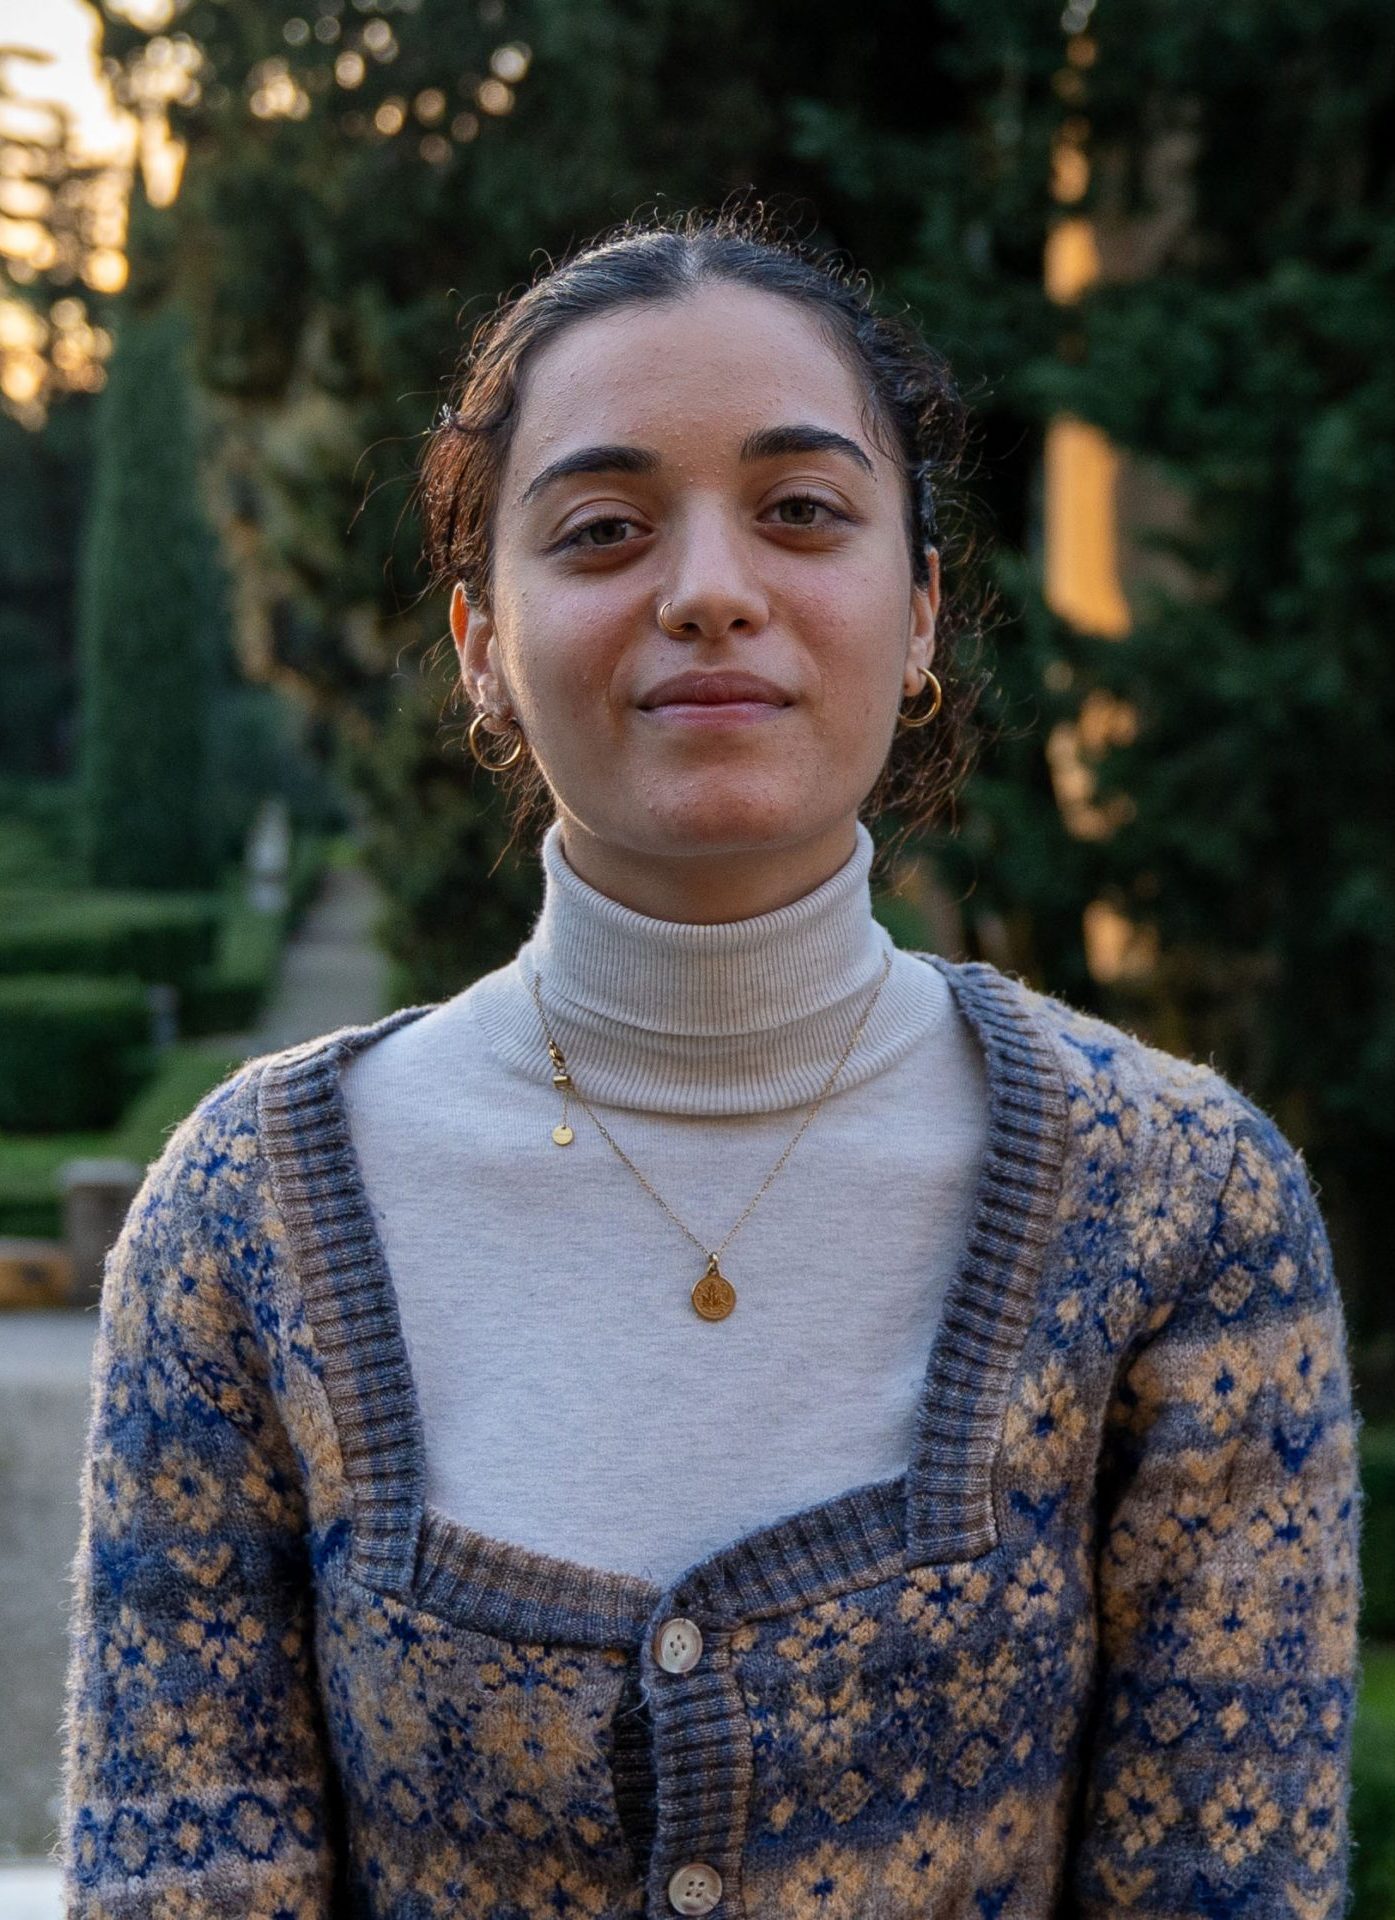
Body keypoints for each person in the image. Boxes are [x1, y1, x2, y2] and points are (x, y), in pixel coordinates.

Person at [61, 207, 1363, 1920]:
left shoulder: (1184, 1210)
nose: (710, 592)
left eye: (801, 511)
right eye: (603, 530)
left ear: (920, 612)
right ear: (482, 644)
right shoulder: (248, 1222)